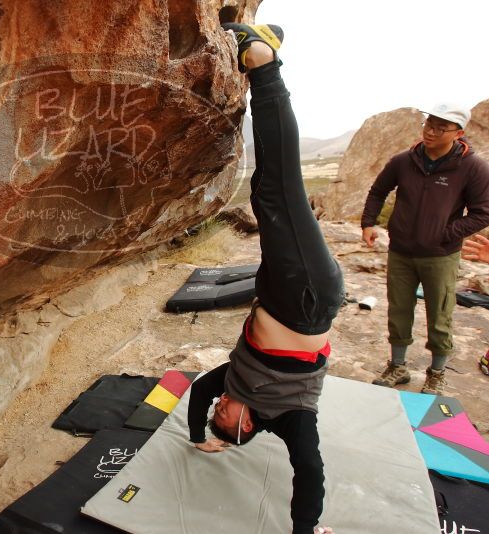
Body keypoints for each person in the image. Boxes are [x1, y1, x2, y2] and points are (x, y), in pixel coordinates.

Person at [187, 22, 343, 534]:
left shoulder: (230, 386)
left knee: (265, 193)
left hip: (278, 291)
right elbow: (311, 474)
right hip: (307, 295)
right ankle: (264, 63)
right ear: (246, 426)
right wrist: (306, 529)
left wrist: (199, 439)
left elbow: (196, 396)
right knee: (279, 188)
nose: (220, 406)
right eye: (223, 419)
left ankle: (267, 42)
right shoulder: (292, 416)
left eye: (218, 410)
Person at [361, 101, 489, 395]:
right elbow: (378, 191)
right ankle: (398, 366)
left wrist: (446, 234)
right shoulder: (404, 160)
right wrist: (368, 223)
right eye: (428, 124)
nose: (430, 132)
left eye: (440, 128)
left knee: (441, 314)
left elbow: (483, 212)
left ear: (458, 133)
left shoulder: (472, 167)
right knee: (399, 310)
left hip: (441, 256)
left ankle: (437, 372)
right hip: (401, 252)